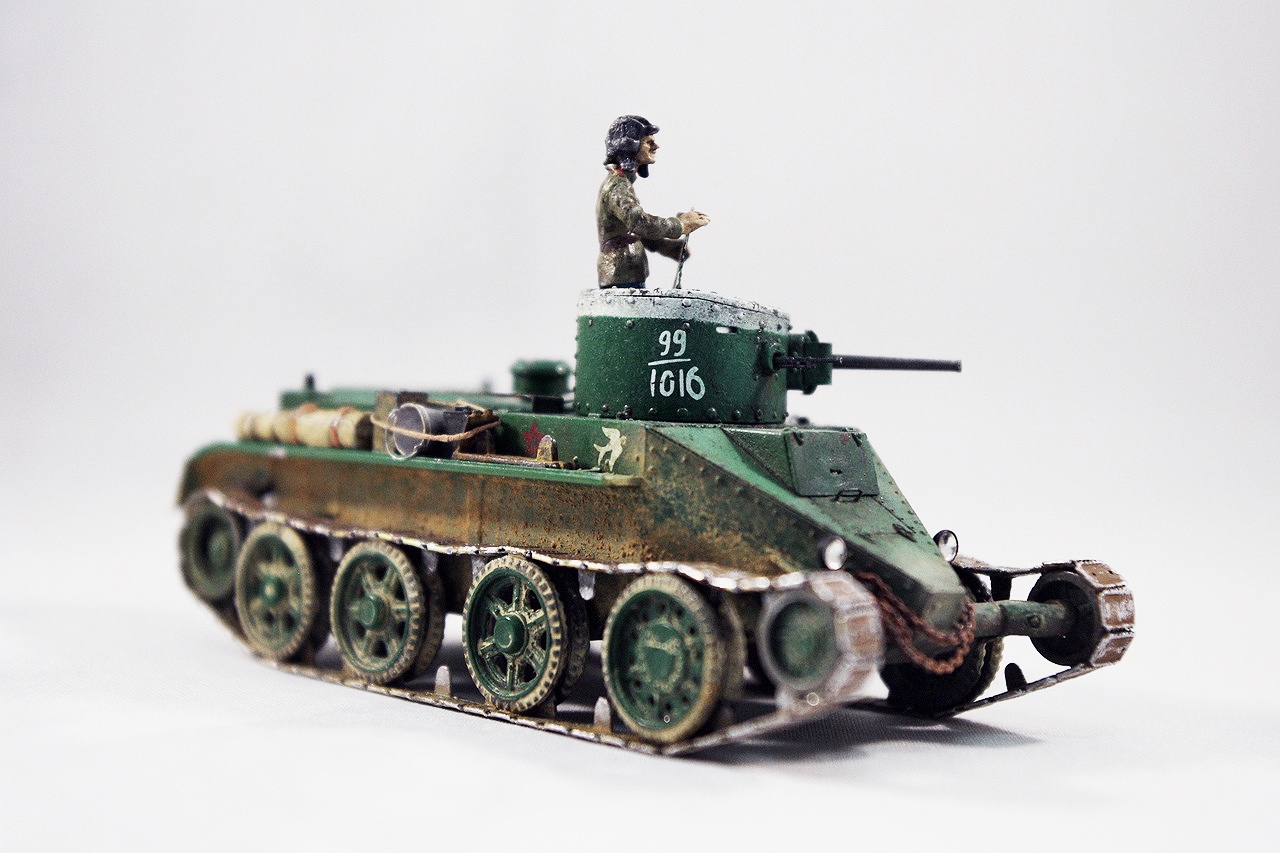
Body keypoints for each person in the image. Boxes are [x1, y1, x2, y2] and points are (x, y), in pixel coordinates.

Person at [597, 115, 709, 288]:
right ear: (631, 146)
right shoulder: (618, 186)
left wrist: (664, 246)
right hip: (621, 275)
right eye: (649, 142)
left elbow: (629, 230)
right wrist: (680, 225)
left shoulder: (622, 183)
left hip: (626, 272)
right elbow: (639, 223)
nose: (656, 146)